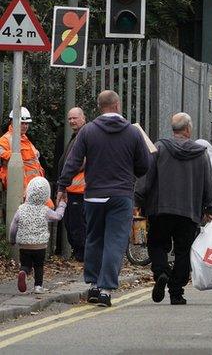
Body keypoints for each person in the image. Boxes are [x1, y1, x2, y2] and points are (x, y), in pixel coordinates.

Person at [57, 90, 152, 308]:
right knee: (115, 242)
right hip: (121, 195)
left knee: (94, 239)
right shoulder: (132, 132)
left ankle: (92, 285)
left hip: (94, 196)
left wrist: (63, 185)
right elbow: (144, 165)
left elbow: (72, 161)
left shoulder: (88, 131)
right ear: (117, 105)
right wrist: (129, 173)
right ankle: (106, 290)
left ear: (100, 106)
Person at [136, 113, 212, 305]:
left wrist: (138, 199)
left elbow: (146, 177)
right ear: (188, 129)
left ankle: (162, 272)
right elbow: (208, 182)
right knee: (183, 250)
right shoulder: (201, 152)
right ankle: (176, 292)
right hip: (188, 211)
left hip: (160, 209)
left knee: (156, 244)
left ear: (174, 129)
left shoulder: (160, 147)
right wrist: (209, 207)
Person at [9, 177, 67, 294]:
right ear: (46, 194)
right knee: (39, 266)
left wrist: (12, 239)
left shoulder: (21, 209)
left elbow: (13, 226)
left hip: (24, 245)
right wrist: (62, 205)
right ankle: (38, 286)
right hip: (40, 246)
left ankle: (23, 272)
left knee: (26, 264)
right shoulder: (45, 210)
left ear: (28, 191)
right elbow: (57, 217)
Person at [56, 107, 87, 262]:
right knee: (73, 225)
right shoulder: (77, 135)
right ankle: (80, 255)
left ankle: (82, 257)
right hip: (74, 189)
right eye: (70, 119)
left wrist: (67, 177)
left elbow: (80, 162)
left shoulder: (83, 135)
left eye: (75, 118)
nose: (72, 121)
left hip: (79, 190)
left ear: (83, 118)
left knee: (77, 227)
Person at [0, 107, 46, 195]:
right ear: (12, 122)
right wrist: (14, 155)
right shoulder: (6, 139)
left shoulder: (25, 138)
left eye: (27, 123)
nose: (25, 126)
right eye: (22, 123)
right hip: (19, 185)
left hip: (34, 185)